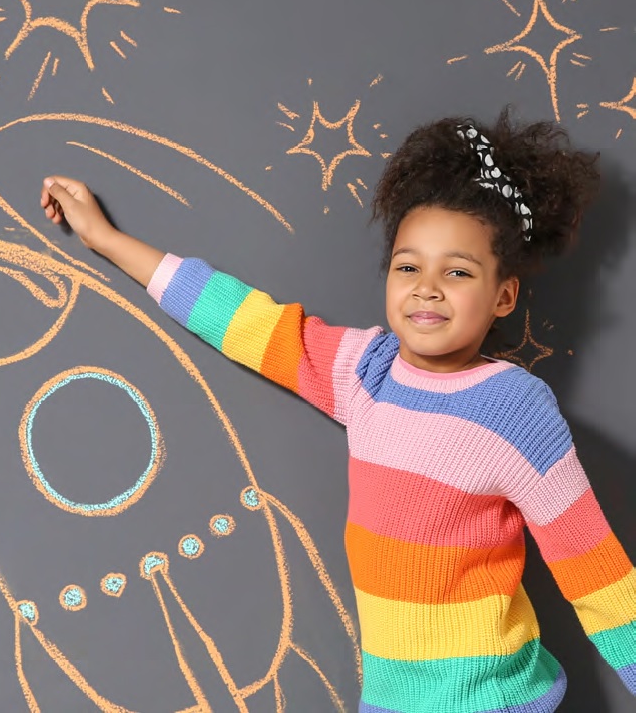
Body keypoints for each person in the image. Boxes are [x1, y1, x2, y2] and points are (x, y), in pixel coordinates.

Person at [37, 109, 636, 712]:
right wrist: (107, 241)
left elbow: (597, 575)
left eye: (457, 271)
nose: (427, 287)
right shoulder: (364, 371)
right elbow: (243, 319)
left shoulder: (514, 411)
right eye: (409, 266)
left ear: (503, 295)